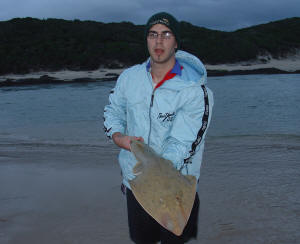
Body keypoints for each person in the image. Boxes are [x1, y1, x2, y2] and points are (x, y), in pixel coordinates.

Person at [103, 12, 214, 244]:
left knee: (176, 237)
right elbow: (113, 111)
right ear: (146, 40)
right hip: (135, 182)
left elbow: (185, 144)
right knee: (143, 240)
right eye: (153, 35)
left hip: (177, 185)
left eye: (166, 34)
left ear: (176, 42)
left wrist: (152, 168)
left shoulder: (194, 90)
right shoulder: (129, 78)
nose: (159, 41)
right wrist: (118, 137)